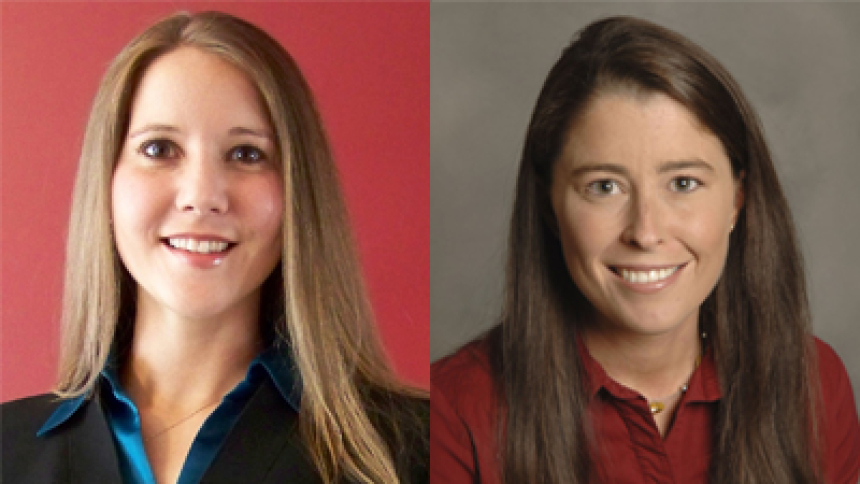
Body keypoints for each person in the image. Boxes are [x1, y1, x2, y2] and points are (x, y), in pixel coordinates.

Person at [1, 11, 427, 484]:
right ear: (107, 183)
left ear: (297, 197)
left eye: (246, 154)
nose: (202, 196)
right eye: (159, 149)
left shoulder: (415, 452)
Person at [430, 16, 860, 484]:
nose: (646, 232)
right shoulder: (452, 413)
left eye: (683, 183)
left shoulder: (814, 383)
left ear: (738, 199)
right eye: (605, 186)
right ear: (550, 206)